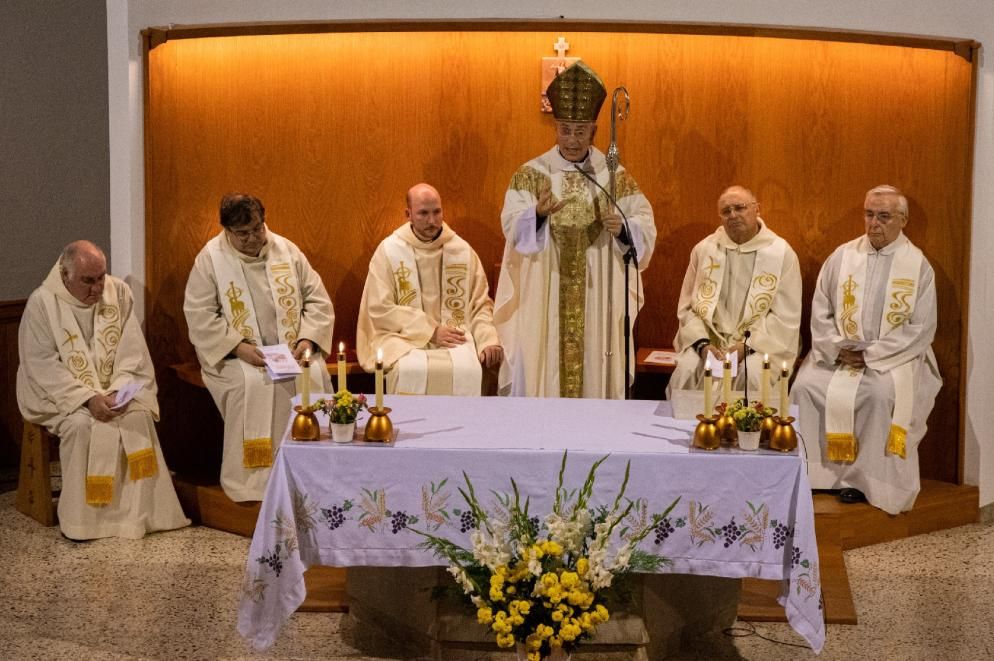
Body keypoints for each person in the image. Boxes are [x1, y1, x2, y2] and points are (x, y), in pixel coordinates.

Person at [495, 61, 656, 398]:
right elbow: (511, 226)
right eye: (565, 129)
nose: (571, 139)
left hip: (597, 296)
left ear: (594, 131)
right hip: (545, 288)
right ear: (555, 128)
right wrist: (535, 215)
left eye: (580, 131)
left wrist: (623, 229)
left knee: (595, 366)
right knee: (543, 365)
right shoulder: (530, 173)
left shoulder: (613, 174)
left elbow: (644, 225)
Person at [16, 241, 190, 540]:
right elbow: (41, 363)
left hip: (111, 388)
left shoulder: (118, 291)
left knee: (137, 417)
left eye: (101, 277)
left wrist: (120, 389)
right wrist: (87, 398)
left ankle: (139, 516)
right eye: (88, 281)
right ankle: (85, 522)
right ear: (65, 274)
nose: (98, 288)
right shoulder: (42, 303)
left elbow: (131, 350)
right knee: (83, 425)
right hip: (56, 395)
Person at [792, 185, 941, 514]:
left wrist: (869, 355)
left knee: (876, 395)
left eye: (884, 216)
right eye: (869, 214)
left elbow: (920, 328)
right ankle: (815, 474)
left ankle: (862, 482)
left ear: (902, 220)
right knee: (804, 387)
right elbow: (821, 309)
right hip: (837, 354)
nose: (874, 223)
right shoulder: (843, 256)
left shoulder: (917, 267)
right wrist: (836, 348)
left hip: (891, 360)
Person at [184, 194, 334, 502]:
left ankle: (315, 475)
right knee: (252, 385)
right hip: (239, 356)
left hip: (291, 350)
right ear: (227, 230)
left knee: (313, 377)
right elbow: (200, 315)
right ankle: (255, 485)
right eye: (243, 234)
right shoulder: (210, 259)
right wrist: (238, 348)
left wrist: (307, 339)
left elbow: (317, 300)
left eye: (257, 228)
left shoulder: (287, 250)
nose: (253, 238)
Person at [357, 183, 503, 395]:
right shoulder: (389, 251)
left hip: (456, 335)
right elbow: (379, 308)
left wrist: (488, 340)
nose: (432, 221)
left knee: (468, 368)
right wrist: (430, 331)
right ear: (408, 214)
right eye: (423, 213)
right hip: (403, 339)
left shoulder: (461, 250)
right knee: (410, 369)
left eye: (437, 212)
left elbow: (480, 304)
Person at [669, 186, 802, 399]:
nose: (733, 215)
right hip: (710, 342)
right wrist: (703, 345)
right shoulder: (705, 250)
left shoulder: (780, 253)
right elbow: (688, 307)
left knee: (753, 375)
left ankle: (746, 432)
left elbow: (786, 316)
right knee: (685, 372)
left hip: (759, 345)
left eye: (740, 208)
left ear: (758, 209)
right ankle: (692, 431)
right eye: (726, 211)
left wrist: (744, 347)